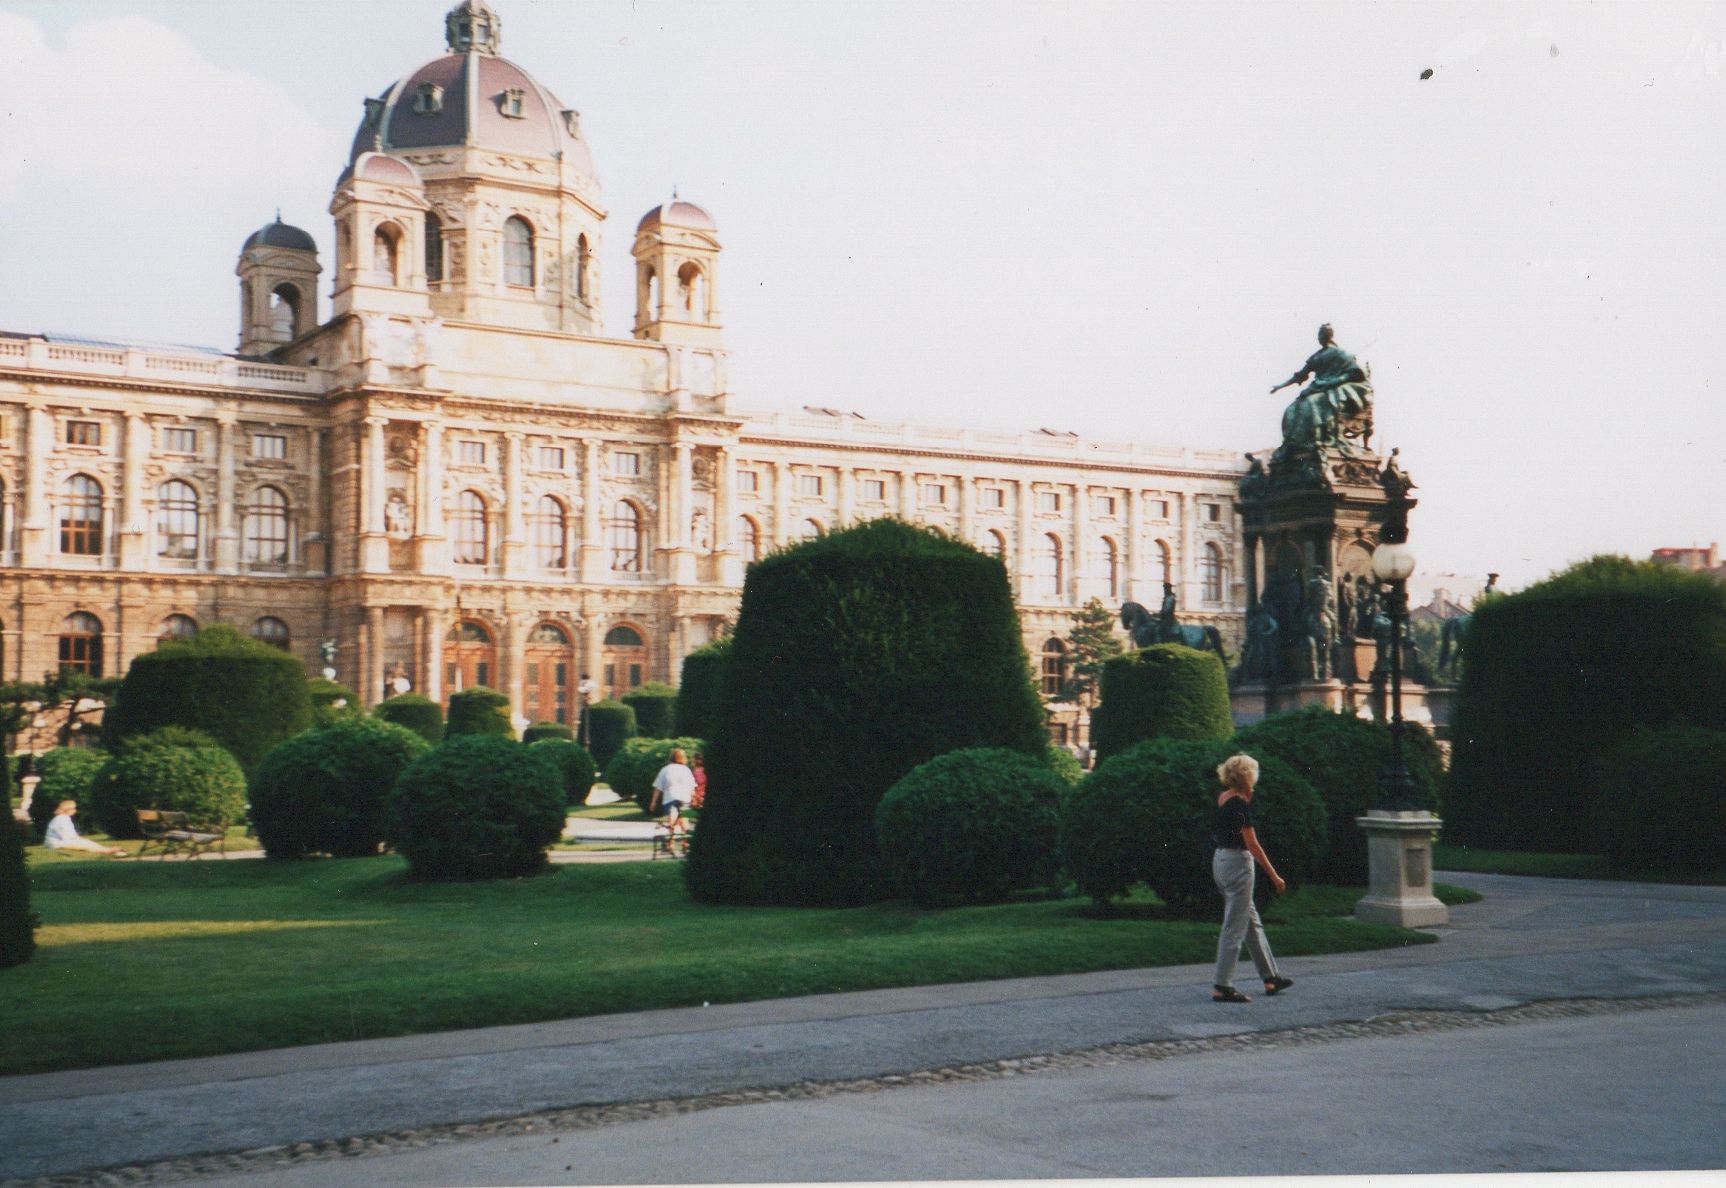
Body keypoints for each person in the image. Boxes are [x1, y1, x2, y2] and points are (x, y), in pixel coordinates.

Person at [1210, 754, 1292, 1003]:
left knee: (1250, 920)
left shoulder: (1223, 798)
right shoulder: (1240, 805)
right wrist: (1275, 876)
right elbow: (1253, 845)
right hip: (1238, 864)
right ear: (1248, 777)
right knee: (1234, 926)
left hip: (1221, 860)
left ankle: (1270, 977)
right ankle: (1222, 985)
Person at [43, 800, 125, 857]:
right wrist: (79, 839)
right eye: (74, 808)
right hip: (56, 844)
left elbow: (71, 835)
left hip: (60, 842)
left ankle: (107, 850)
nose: (75, 810)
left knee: (87, 842)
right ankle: (107, 851)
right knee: (85, 844)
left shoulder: (63, 818)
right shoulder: (62, 819)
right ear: (68, 810)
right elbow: (67, 837)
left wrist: (80, 839)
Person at [649, 748, 697, 838]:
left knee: (672, 819)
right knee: (684, 820)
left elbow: (658, 788)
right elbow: (692, 787)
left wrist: (653, 802)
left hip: (670, 798)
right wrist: (694, 799)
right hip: (685, 798)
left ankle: (671, 840)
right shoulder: (686, 770)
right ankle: (686, 842)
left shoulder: (665, 770)